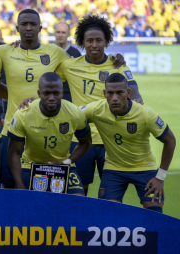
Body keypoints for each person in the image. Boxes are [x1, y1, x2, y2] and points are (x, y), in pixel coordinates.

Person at [0, 9, 125, 189]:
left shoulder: (55, 52)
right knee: (8, 184)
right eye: (24, 24)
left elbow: (85, 65)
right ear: (17, 28)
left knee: (50, 186)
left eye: (32, 24)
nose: (28, 28)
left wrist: (112, 59)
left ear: (40, 28)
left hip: (45, 131)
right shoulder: (3, 51)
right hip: (11, 127)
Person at [53, 15, 142, 196]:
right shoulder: (68, 66)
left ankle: (104, 225)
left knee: (110, 194)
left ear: (106, 41)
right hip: (80, 139)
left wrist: (138, 100)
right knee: (79, 192)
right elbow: (48, 83)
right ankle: (80, 225)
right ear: (82, 42)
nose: (94, 45)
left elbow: (133, 88)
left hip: (111, 139)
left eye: (99, 40)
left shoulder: (117, 65)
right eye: (89, 40)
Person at [83, 73, 176, 213]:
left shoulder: (145, 114)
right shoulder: (96, 109)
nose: (114, 98)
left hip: (144, 168)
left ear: (128, 93)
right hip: (114, 169)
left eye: (119, 93)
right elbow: (70, 115)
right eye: (110, 93)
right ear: (104, 93)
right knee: (107, 214)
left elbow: (170, 140)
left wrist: (160, 177)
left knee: (155, 217)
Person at [8, 73, 92, 194]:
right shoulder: (23, 114)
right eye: (46, 93)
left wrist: (67, 162)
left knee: (77, 202)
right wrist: (21, 188)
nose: (51, 98)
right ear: (39, 94)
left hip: (62, 167)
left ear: (62, 93)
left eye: (56, 93)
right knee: (27, 207)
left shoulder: (75, 113)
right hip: (30, 166)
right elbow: (13, 153)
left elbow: (86, 142)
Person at [54, 22, 81, 103]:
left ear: (68, 34)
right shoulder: (48, 51)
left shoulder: (76, 53)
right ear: (55, 33)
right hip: (51, 95)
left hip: (69, 96)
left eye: (63, 32)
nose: (60, 35)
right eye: (58, 32)